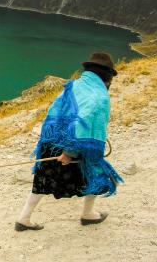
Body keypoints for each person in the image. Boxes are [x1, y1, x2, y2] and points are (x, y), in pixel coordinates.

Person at [15, 52, 123, 231]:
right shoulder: (100, 97)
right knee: (96, 174)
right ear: (106, 76)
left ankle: (23, 219)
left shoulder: (75, 86)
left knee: (42, 180)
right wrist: (69, 152)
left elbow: (55, 111)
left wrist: (52, 140)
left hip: (51, 142)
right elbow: (83, 124)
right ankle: (88, 215)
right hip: (74, 147)